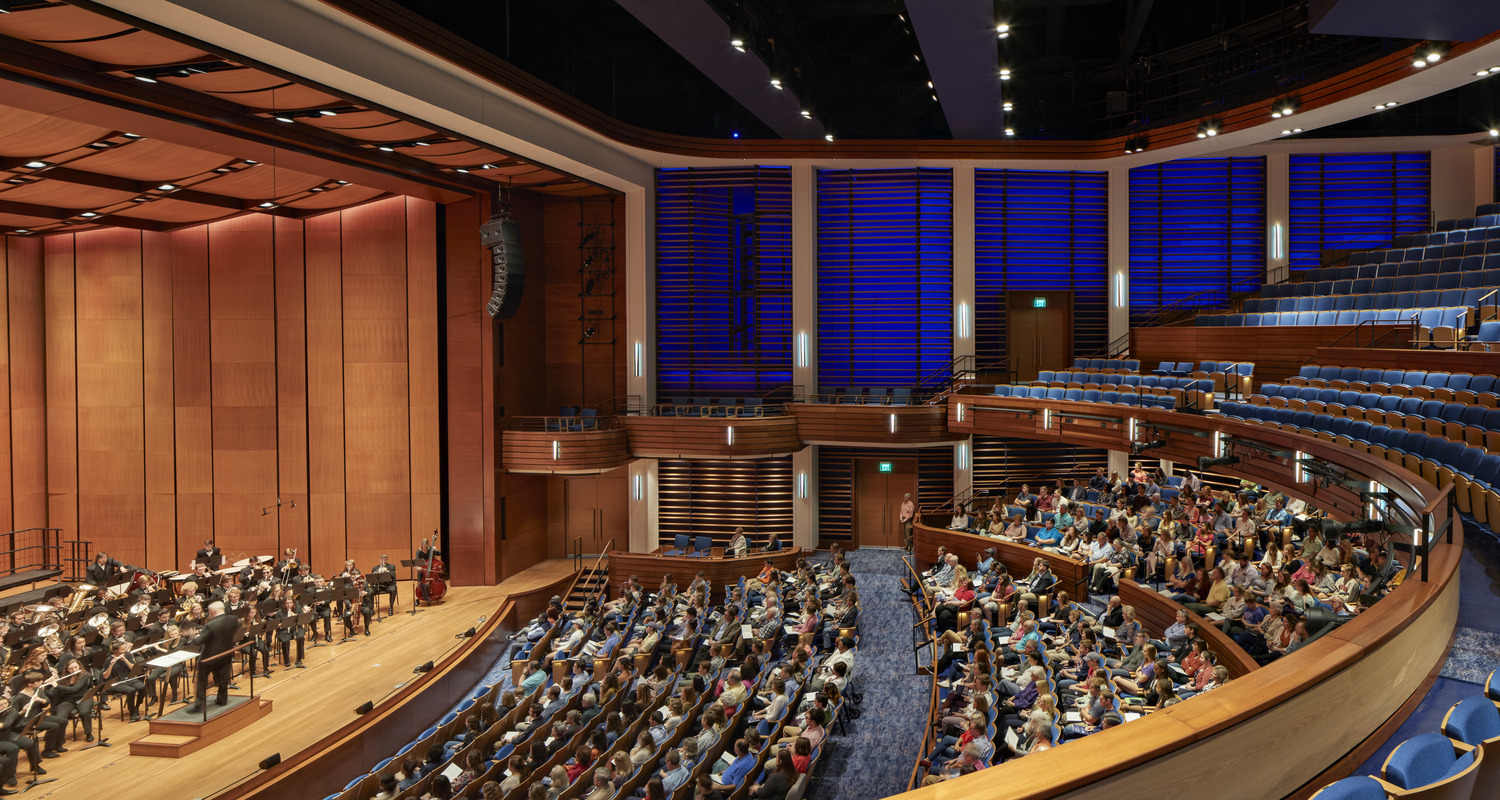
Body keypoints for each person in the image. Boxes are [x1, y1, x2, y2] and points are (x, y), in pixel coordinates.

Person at [186, 600, 240, 713]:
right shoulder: (233, 619)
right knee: (223, 678)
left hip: (209, 658)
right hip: (226, 654)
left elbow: (199, 641)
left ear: (212, 611)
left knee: (201, 681)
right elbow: (235, 629)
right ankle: (222, 700)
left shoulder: (210, 625)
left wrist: (192, 636)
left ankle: (199, 705)